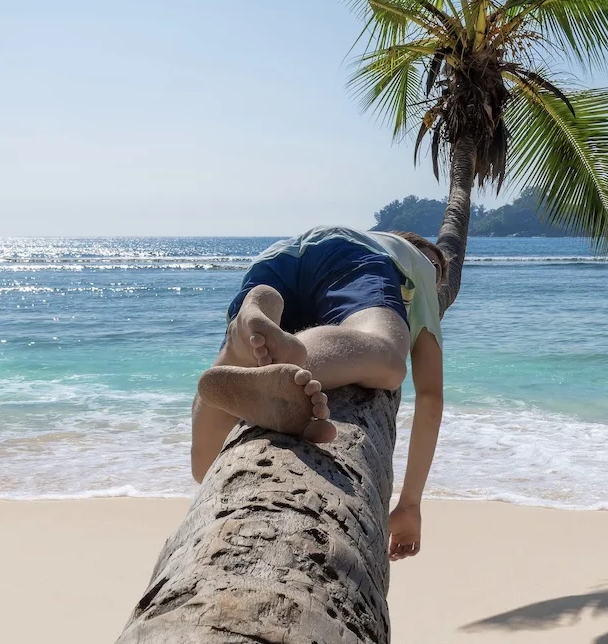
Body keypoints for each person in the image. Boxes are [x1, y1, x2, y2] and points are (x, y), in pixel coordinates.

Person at [191, 226, 447, 561]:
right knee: (388, 358)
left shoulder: (340, 236)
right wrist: (410, 503)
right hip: (349, 258)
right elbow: (429, 396)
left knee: (205, 465)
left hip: (269, 263)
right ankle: (294, 358)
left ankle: (245, 334)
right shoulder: (419, 264)